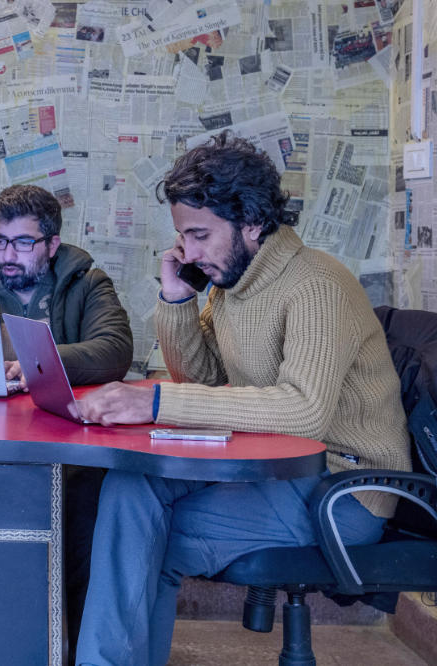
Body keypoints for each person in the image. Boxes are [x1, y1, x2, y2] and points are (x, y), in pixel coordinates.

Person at [72, 132, 411, 665]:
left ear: (252, 224)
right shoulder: (235, 284)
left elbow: (303, 411)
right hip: (273, 468)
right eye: (184, 237)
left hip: (342, 485)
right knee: (130, 488)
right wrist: (178, 299)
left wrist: (156, 404)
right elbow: (203, 380)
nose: (190, 252)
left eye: (201, 235)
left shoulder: (315, 284)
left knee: (148, 542)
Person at [0, 184, 133, 653]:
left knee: (86, 522)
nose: (7, 255)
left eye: (23, 242)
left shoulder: (86, 283)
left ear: (51, 245)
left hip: (68, 449)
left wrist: (38, 364)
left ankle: (73, 651)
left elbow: (114, 350)